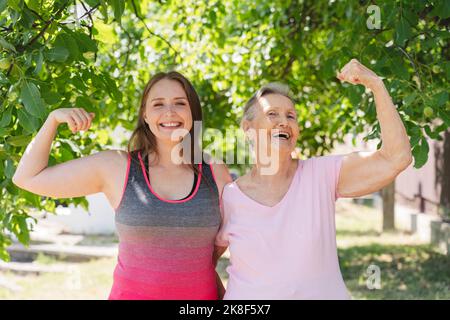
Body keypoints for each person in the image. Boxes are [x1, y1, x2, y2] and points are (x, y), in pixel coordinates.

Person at [12, 71, 232, 300]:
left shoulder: (214, 171)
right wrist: (53, 119)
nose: (169, 112)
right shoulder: (117, 167)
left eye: (180, 103)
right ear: (145, 115)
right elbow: (27, 177)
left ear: (192, 113)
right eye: (158, 104)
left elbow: (228, 238)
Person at [214, 59, 412, 299]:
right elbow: (201, 266)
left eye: (291, 116)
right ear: (248, 128)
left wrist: (376, 86)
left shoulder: (322, 175)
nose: (284, 121)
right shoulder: (230, 197)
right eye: (272, 114)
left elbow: (396, 157)